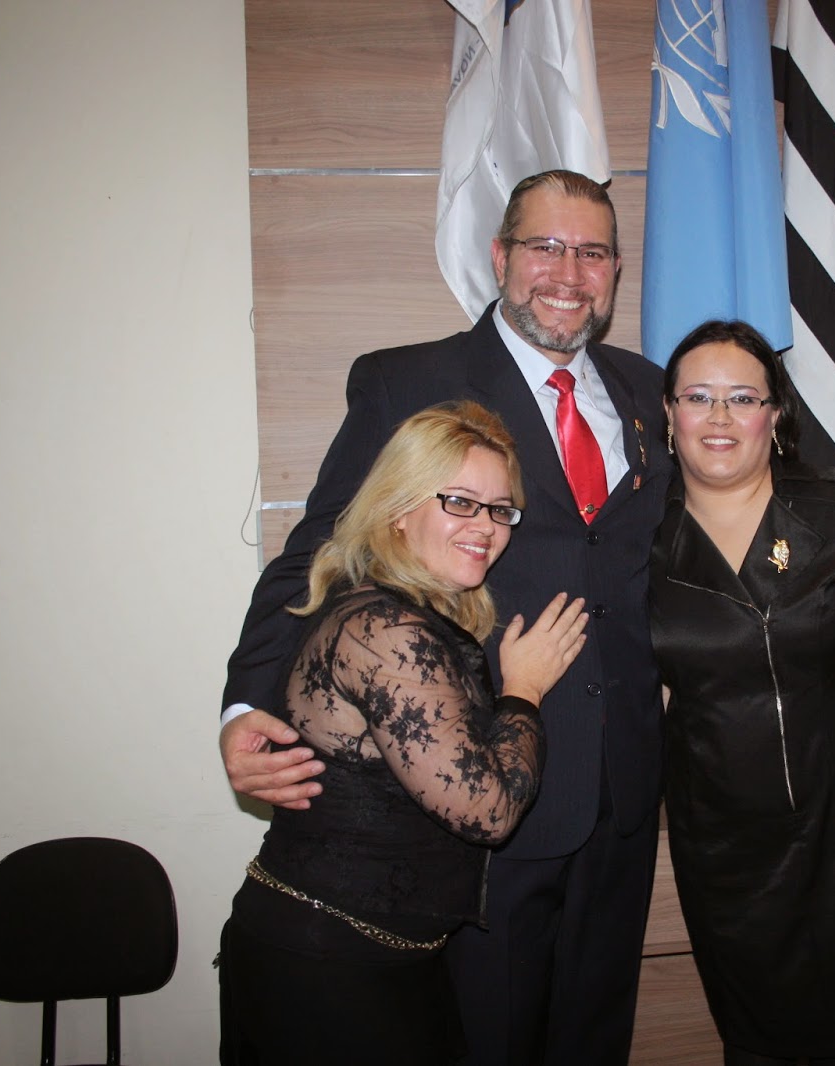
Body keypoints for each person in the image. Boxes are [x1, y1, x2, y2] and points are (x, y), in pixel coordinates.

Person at [219, 170, 670, 1065]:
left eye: (592, 253)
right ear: (500, 257)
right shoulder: (409, 380)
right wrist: (245, 704)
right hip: (478, 787)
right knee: (487, 1040)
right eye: (545, 247)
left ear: (617, 271)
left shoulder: (652, 392)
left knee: (594, 1040)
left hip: (621, 793)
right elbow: (318, 553)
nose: (568, 273)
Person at [218, 402, 589, 1064]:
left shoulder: (405, 612)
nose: (485, 527)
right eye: (460, 502)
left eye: (500, 510)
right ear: (398, 508)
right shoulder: (386, 630)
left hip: (378, 956)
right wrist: (525, 689)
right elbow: (487, 810)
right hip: (326, 966)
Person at [648, 320, 835, 1066]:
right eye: (698, 396)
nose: (719, 416)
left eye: (743, 397)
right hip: (727, 852)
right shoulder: (638, 537)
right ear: (668, 414)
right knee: (762, 1044)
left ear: (776, 414)